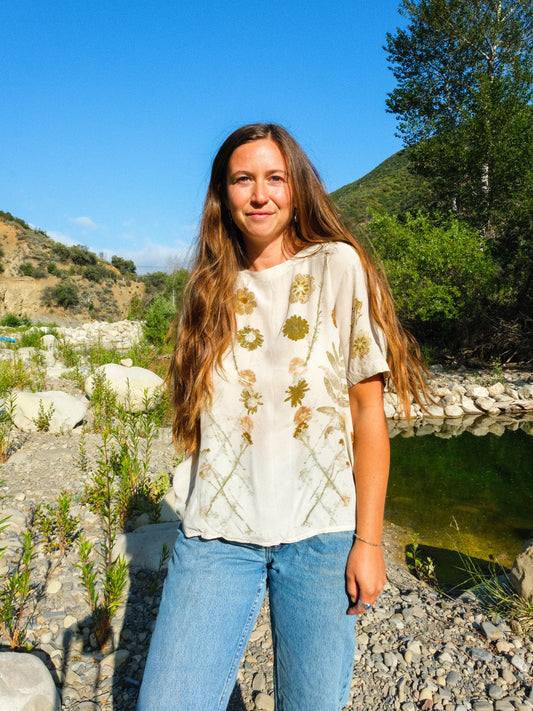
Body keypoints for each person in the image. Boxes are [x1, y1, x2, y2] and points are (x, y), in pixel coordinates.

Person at [136, 123, 429, 711]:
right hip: (217, 532)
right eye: (242, 179)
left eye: (275, 178)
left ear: (297, 188)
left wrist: (369, 541)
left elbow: (367, 412)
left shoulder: (337, 267)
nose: (260, 194)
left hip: (321, 533)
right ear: (223, 194)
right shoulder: (207, 288)